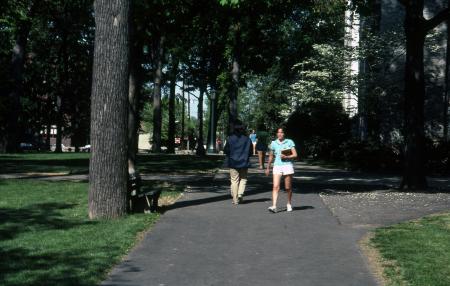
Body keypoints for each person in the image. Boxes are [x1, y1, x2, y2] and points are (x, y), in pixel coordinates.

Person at [265, 127, 297, 213]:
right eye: (278, 132)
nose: (279, 134)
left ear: (284, 134)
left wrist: (286, 156)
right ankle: (274, 206)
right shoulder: (273, 143)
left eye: (281, 132)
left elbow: (295, 154)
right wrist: (268, 168)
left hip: (287, 166)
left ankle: (289, 204)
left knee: (287, 187)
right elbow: (271, 156)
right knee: (275, 186)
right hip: (277, 166)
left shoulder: (289, 142)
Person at [224, 121, 253, 204]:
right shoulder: (248, 139)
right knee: (243, 179)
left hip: (233, 162)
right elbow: (250, 152)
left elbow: (226, 150)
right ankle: (240, 194)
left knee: (234, 180)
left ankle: (235, 199)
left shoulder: (229, 138)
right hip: (244, 162)